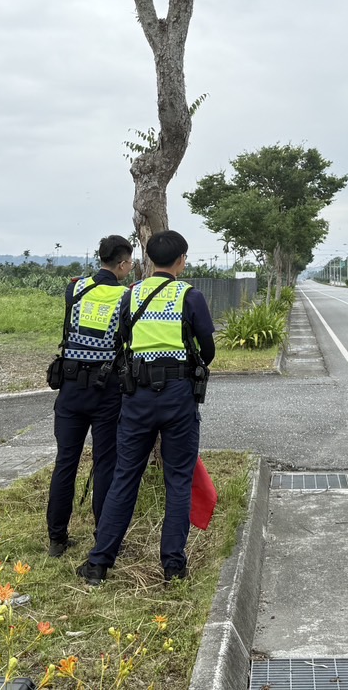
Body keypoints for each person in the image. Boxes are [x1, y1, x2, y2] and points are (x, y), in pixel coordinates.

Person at [78, 229, 215, 585]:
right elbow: (208, 349)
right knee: (178, 479)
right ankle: (173, 566)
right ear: (181, 260)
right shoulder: (190, 296)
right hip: (179, 396)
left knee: (125, 476)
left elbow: (123, 337)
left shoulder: (131, 294)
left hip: (136, 396)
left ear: (149, 259)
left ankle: (98, 564)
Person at [45, 235, 133, 558]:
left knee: (65, 462)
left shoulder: (75, 289)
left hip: (70, 387)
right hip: (106, 389)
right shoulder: (125, 296)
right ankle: (103, 536)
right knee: (106, 462)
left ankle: (57, 539)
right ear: (122, 264)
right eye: (130, 262)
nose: (131, 267)